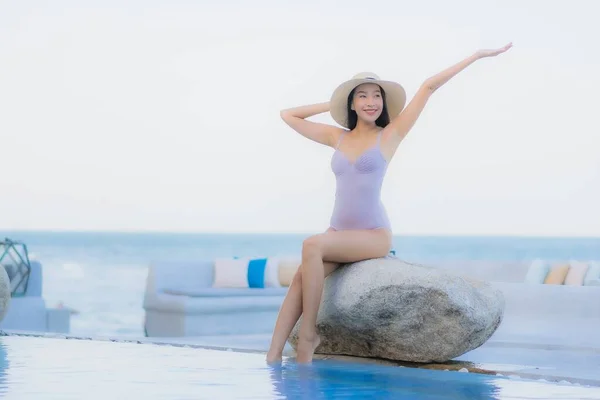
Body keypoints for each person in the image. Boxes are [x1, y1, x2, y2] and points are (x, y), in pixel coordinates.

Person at [266, 43, 513, 364]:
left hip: (372, 235)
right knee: (301, 277)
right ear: (352, 103)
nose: (371, 102)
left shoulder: (391, 134)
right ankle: (272, 355)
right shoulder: (336, 137)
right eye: (363, 96)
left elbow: (428, 86)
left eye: (376, 95)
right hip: (339, 232)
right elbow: (289, 115)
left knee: (311, 245)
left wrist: (476, 57)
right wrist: (333, 103)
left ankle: (309, 335)